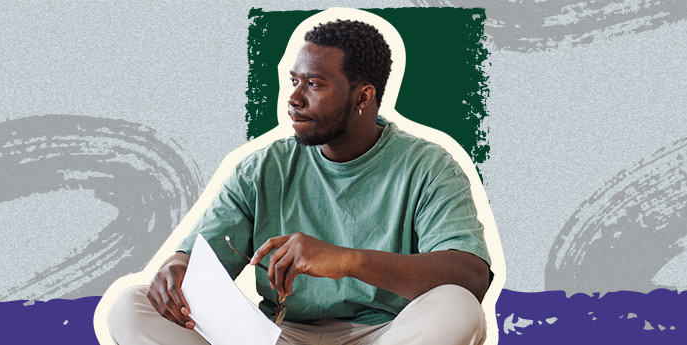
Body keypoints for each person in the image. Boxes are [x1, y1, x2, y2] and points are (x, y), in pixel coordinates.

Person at [107, 15, 493, 345]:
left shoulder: (428, 166)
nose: (294, 97)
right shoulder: (262, 168)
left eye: (314, 84)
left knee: (458, 306)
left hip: (385, 334)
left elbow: (471, 276)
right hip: (279, 334)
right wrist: (177, 266)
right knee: (132, 305)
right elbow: (199, 259)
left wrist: (349, 261)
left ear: (363, 97)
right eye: (294, 80)